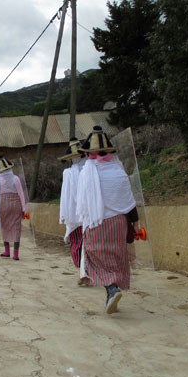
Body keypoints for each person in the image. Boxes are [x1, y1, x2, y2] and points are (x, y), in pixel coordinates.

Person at [76, 126, 139, 314]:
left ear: (89, 153)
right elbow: (129, 202)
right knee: (116, 257)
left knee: (95, 257)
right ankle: (111, 293)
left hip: (97, 222)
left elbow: (82, 202)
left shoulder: (86, 173)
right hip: (118, 223)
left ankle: (111, 290)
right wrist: (135, 223)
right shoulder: (119, 172)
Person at [58, 138, 86, 273]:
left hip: (74, 212)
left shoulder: (68, 173)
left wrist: (64, 214)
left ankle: (82, 269)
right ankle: (86, 269)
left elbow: (65, 196)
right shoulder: (90, 168)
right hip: (89, 212)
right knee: (88, 241)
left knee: (77, 241)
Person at [0, 156, 26, 260]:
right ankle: (16, 254)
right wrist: (23, 208)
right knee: (16, 228)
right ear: (10, 168)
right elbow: (21, 194)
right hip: (16, 204)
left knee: (5, 227)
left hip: (4, 204)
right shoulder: (15, 178)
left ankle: (6, 251)